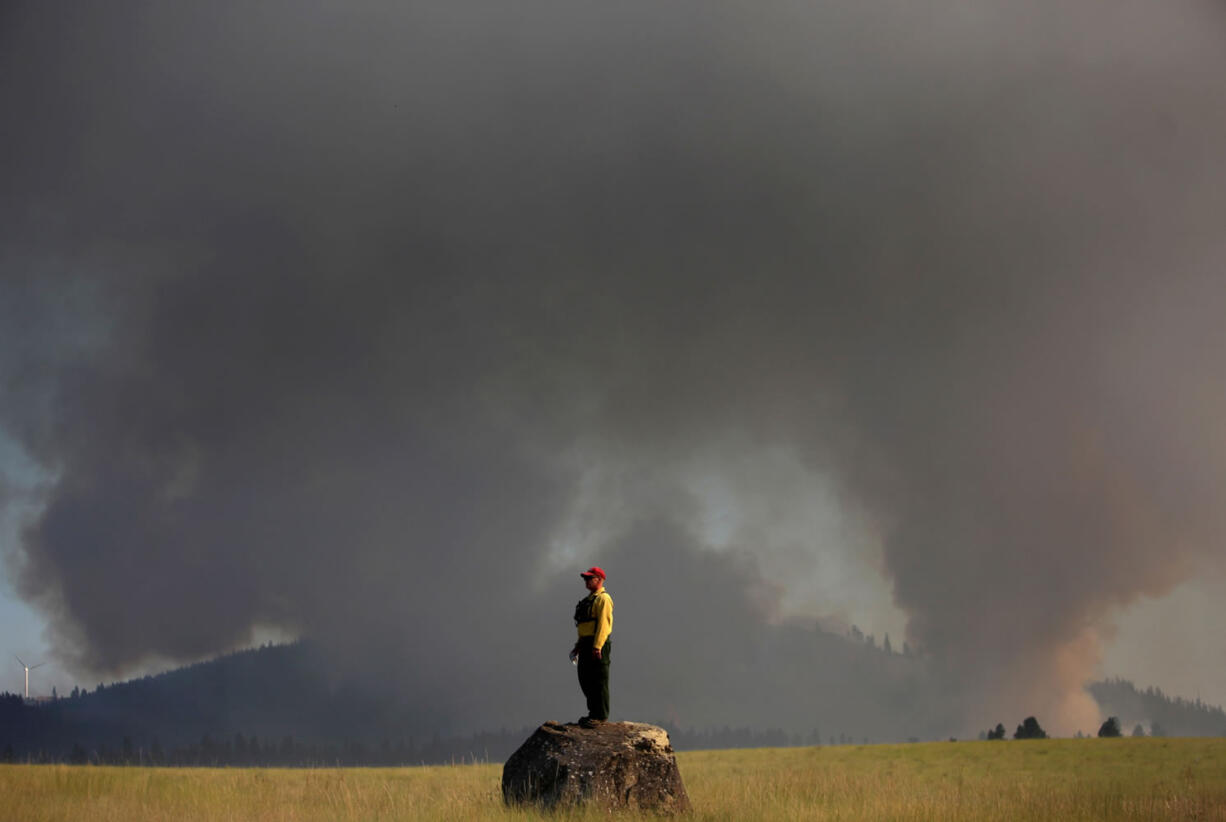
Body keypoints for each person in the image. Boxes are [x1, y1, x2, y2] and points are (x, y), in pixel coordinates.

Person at [570, 566, 613, 727]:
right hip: (586, 643)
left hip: (598, 644)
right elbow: (584, 626)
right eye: (585, 578)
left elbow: (604, 625)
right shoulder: (588, 600)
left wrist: (597, 646)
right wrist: (578, 645)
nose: (586, 581)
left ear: (600, 580)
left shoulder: (603, 599)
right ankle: (593, 713)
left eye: (590, 578)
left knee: (599, 680)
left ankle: (600, 716)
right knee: (585, 678)